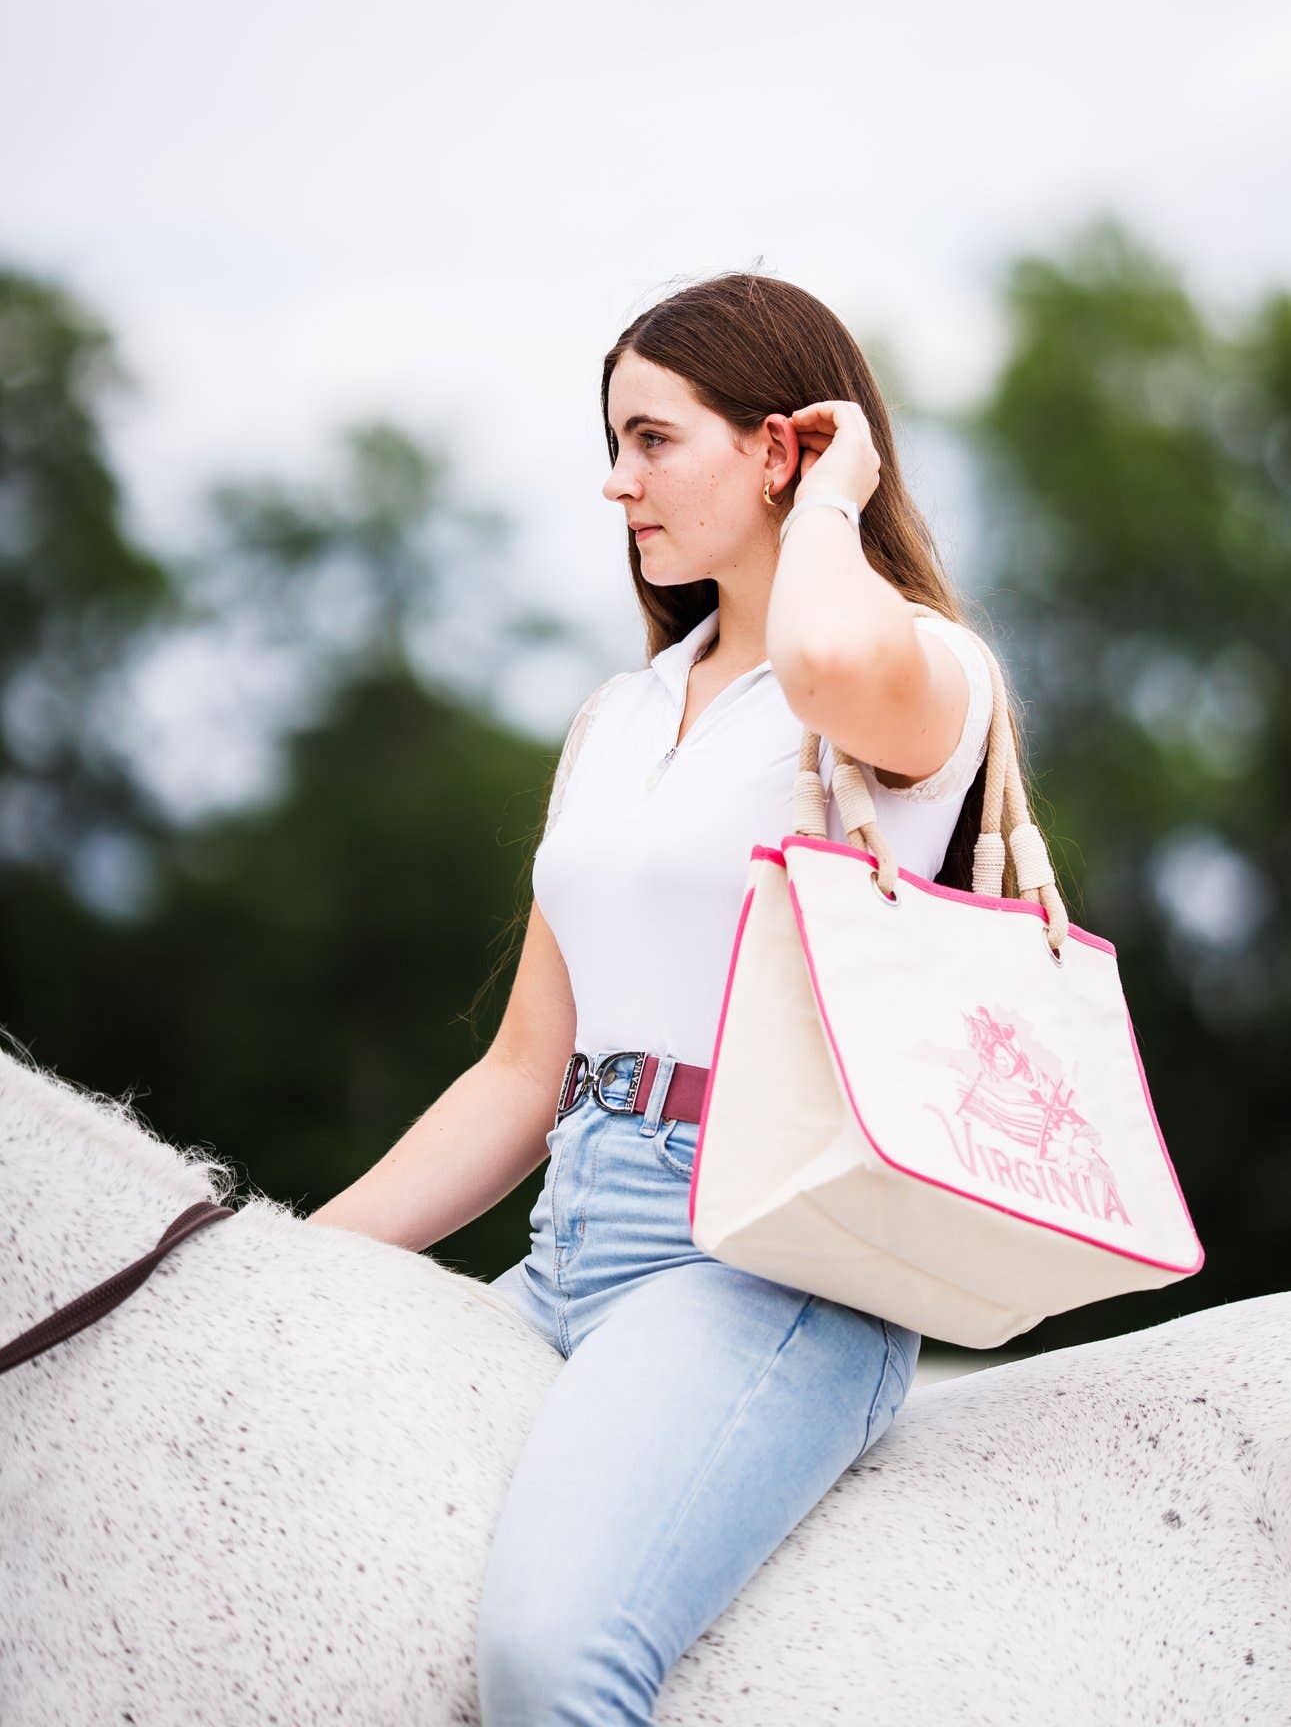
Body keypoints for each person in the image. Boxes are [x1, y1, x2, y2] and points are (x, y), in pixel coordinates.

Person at [307, 271, 1010, 1724]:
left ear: (780, 446)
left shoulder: (914, 675)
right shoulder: (618, 717)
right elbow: (520, 1077)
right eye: (611, 442)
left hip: (761, 1266)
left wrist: (837, 500)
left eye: (652, 440)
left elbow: (820, 653)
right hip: (571, 1236)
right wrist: (289, 1266)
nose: (615, 481)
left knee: (550, 1662)